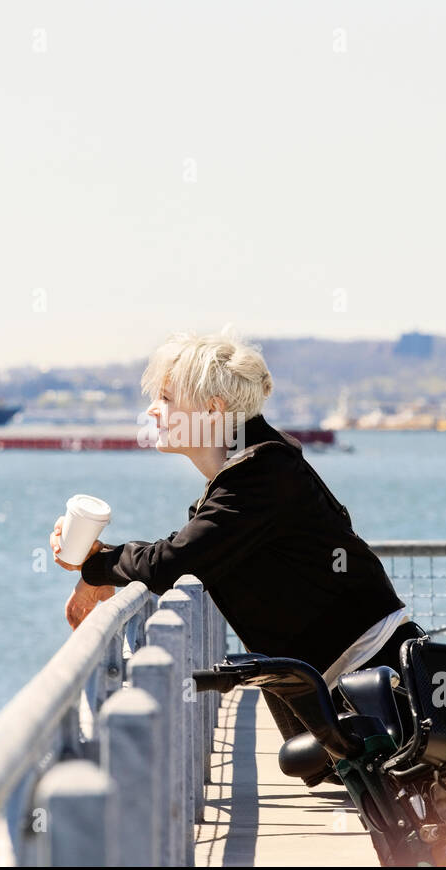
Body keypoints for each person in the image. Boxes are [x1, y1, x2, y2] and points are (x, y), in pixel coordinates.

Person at [49, 326, 419, 785]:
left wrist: (99, 564)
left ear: (212, 410)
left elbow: (174, 562)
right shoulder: (253, 470)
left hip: (373, 683)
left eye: (165, 398)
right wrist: (104, 563)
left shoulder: (261, 475)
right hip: (351, 682)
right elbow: (190, 547)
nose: (152, 410)